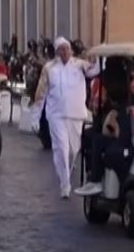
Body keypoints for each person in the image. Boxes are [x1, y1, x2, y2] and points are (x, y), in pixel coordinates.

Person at [33, 38, 91, 199]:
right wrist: (35, 116)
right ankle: (65, 185)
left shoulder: (80, 65)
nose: (65, 52)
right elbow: (41, 93)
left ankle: (65, 175)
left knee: (73, 150)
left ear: (71, 50)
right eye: (62, 49)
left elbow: (95, 71)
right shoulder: (49, 68)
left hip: (76, 114)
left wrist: (101, 56)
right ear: (57, 52)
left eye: (67, 49)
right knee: (62, 148)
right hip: (56, 115)